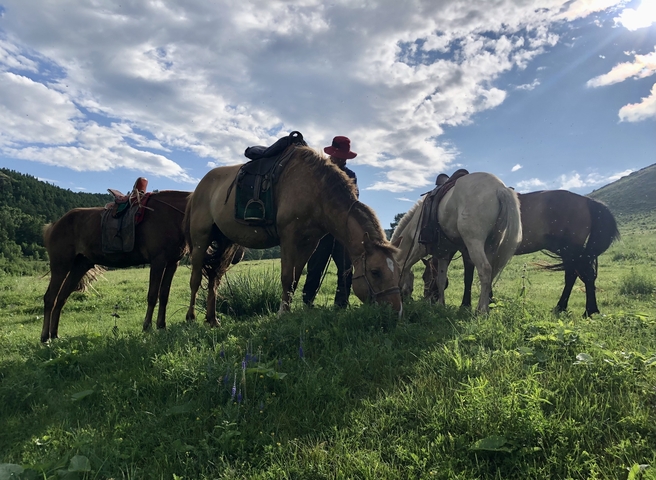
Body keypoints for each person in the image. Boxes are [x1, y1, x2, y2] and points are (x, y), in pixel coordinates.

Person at [302, 136, 359, 308]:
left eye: (343, 157)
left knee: (346, 268)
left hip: (341, 230)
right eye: (338, 155)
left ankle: (341, 303)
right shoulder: (318, 172)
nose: (341, 159)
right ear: (332, 154)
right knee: (315, 268)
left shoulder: (350, 176)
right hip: (321, 230)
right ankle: (307, 302)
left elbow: (353, 201)